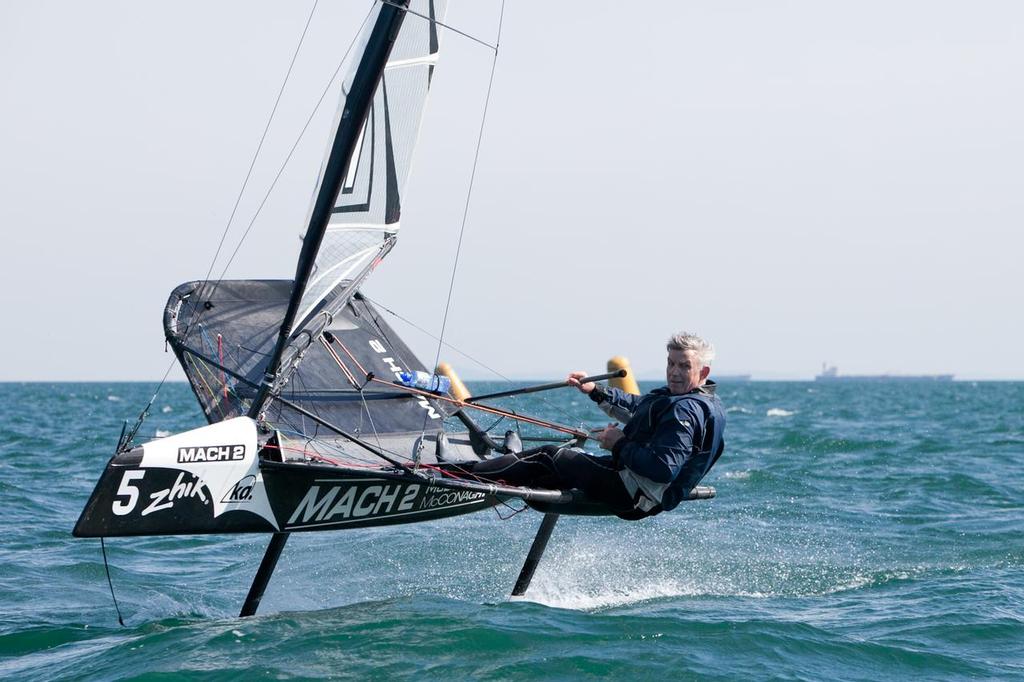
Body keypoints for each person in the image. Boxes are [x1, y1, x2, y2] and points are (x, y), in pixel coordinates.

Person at [449, 332, 726, 519]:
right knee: (542, 472)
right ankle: (485, 473)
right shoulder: (688, 400)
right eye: (670, 363)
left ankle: (455, 477)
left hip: (634, 492)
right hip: (636, 486)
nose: (674, 372)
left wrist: (619, 443)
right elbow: (638, 407)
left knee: (547, 456)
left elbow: (663, 468)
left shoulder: (686, 410)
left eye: (684, 366)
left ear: (703, 372)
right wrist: (595, 390)